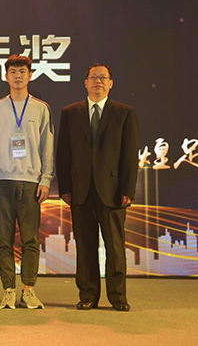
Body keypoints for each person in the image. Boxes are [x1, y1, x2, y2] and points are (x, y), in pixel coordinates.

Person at [56, 63, 139, 312]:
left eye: (103, 78)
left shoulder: (125, 113)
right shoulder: (70, 112)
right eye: (93, 77)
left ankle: (118, 297)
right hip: (80, 190)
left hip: (112, 191)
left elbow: (129, 155)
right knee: (85, 247)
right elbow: (63, 153)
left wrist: (128, 189)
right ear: (85, 82)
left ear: (111, 83)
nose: (98, 81)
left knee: (115, 247)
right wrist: (65, 187)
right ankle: (88, 295)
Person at [0, 55, 54, 309]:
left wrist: (46, 179)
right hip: (2, 181)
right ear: (6, 76)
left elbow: (47, 145)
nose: (18, 76)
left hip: (31, 182)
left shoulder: (41, 108)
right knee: (4, 239)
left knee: (30, 240)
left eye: (22, 71)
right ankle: (8, 289)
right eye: (13, 72)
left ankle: (29, 289)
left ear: (30, 75)